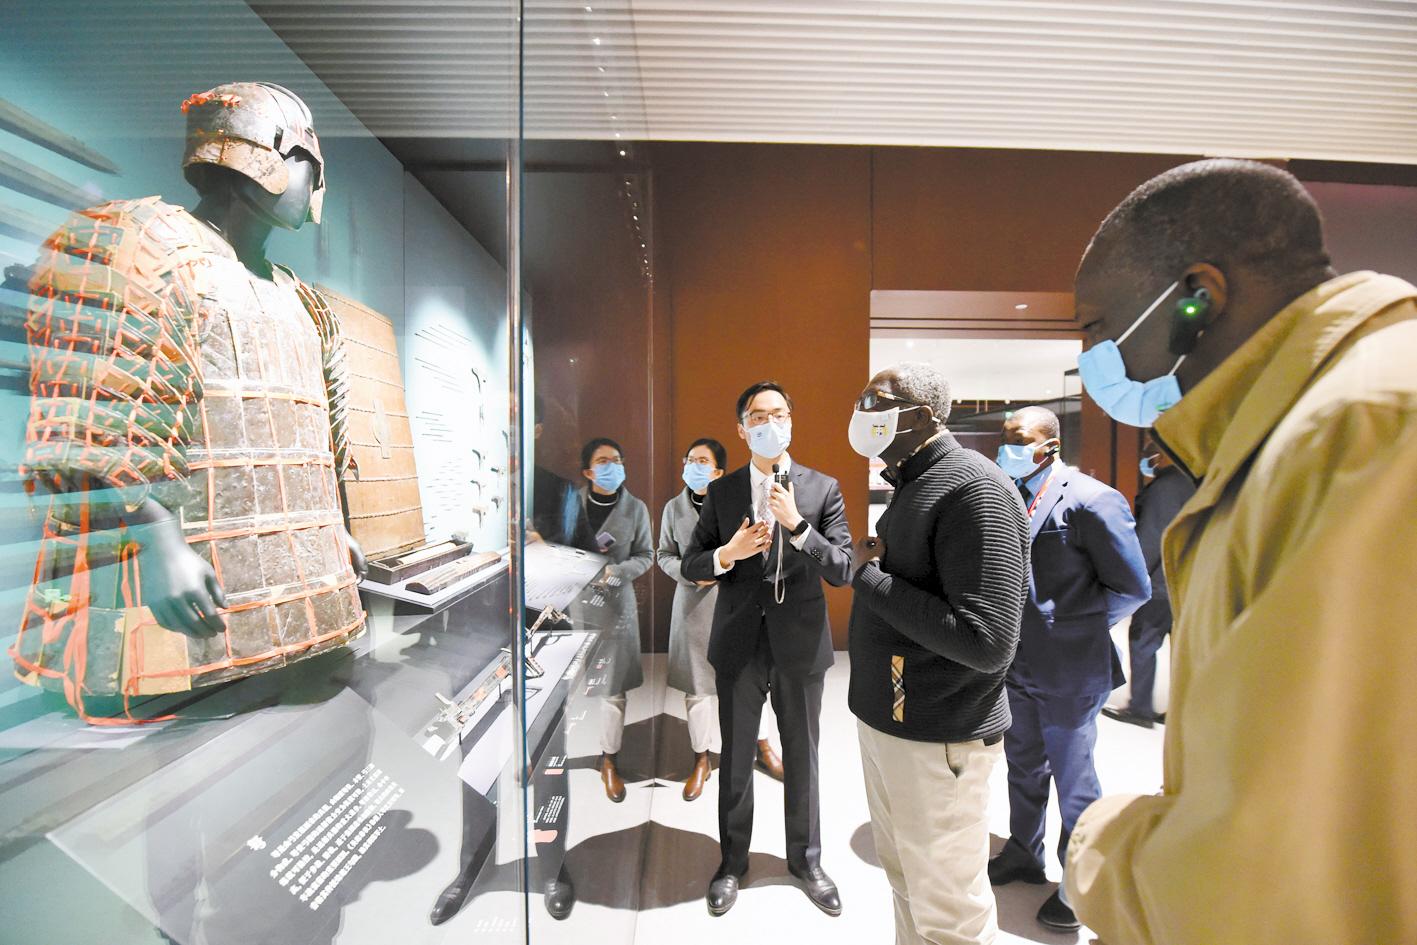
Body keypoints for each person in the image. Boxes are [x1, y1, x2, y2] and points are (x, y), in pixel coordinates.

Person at [1064, 158, 1417, 945]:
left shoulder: (1361, 428)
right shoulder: (1293, 431)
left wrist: (1098, 844)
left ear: (1197, 298)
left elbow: (1273, 876)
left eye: (1096, 327)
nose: (1093, 358)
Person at [846, 363, 1029, 945]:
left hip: (937, 735)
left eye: (876, 401)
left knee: (949, 915)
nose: (861, 412)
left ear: (921, 416)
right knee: (907, 884)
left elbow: (986, 640)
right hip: (895, 725)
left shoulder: (974, 487)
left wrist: (867, 577)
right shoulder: (915, 479)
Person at [682, 381, 853, 918]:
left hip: (800, 643)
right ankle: (732, 863)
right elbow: (691, 563)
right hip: (738, 644)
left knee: (803, 755)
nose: (770, 423)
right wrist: (727, 554)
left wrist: (798, 527)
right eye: (758, 416)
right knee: (736, 759)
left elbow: (843, 568)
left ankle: (807, 862)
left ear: (791, 422)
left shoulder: (822, 489)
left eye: (779, 414)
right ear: (742, 429)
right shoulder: (723, 492)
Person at [987, 406, 1150, 933]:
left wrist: (1076, 627)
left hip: (1071, 670)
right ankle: (1023, 851)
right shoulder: (1010, 495)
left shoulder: (1092, 499)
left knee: (1074, 779)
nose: (1008, 448)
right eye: (1005, 438)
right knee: (1022, 765)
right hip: (1018, 665)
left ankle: (1078, 886)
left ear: (1050, 445)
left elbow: (1133, 587)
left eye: (1019, 439)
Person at [656, 438, 785, 802]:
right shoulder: (673, 508)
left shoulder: (738, 501)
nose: (692, 466)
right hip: (692, 606)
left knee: (751, 681)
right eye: (689, 459)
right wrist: (689, 574)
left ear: (718, 472)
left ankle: (762, 746)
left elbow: (762, 547)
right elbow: (664, 554)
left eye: (702, 461)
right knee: (697, 689)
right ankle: (701, 757)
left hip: (737, 603)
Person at [569, 437, 654, 803]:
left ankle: (609, 759)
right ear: (588, 472)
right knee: (564, 687)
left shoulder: (636, 508)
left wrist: (615, 573)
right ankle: (547, 753)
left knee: (612, 689)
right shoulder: (570, 504)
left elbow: (646, 554)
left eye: (617, 460)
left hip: (617, 609)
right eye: (603, 461)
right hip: (573, 606)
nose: (613, 466)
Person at [1102, 437, 1194, 728]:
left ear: (1163, 455)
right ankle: (1181, 711)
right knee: (1182, 650)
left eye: (1149, 453)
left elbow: (1151, 540)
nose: (1146, 459)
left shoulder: (1164, 489)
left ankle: (1140, 708)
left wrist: (1130, 579)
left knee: (1143, 643)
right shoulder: (1191, 484)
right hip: (1185, 581)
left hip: (1159, 583)